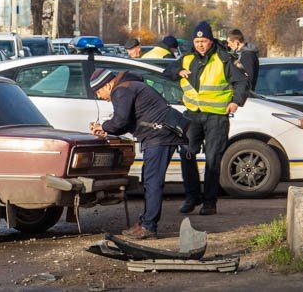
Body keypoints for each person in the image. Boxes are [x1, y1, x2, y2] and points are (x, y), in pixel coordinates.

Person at [163, 21, 249, 215]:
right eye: (197, 40)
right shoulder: (187, 58)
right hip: (192, 115)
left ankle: (209, 202)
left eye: (204, 40)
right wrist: (178, 71)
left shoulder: (224, 58)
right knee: (187, 154)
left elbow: (242, 82)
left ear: (211, 41)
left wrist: (236, 101)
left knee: (212, 159)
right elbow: (166, 71)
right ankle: (192, 197)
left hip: (216, 117)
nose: (200, 44)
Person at [89, 68, 186, 239]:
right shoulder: (129, 86)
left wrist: (104, 126)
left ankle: (148, 226)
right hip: (158, 136)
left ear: (108, 84)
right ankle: (145, 222)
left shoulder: (121, 90)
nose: (99, 96)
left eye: (98, 91)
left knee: (153, 182)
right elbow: (126, 121)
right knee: (149, 180)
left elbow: (120, 121)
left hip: (159, 137)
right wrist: (107, 129)